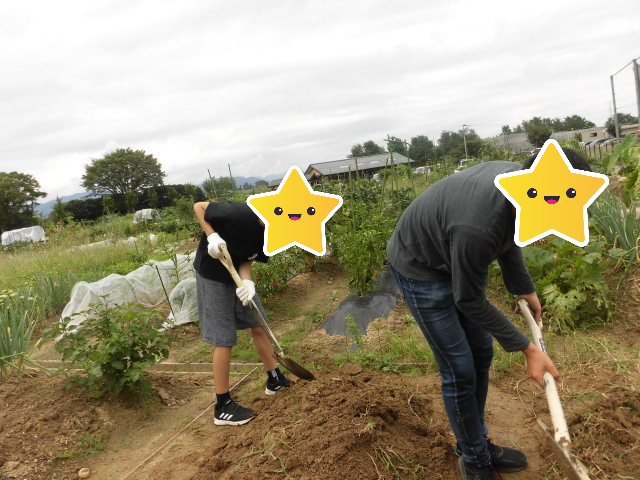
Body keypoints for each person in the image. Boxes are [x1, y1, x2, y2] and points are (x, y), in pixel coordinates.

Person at [386, 148, 591, 480]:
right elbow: (468, 299)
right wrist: (528, 349)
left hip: (452, 245)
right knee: (459, 369)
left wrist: (523, 287)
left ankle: (474, 441)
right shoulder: (477, 227)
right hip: (421, 266)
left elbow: (509, 233)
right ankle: (474, 458)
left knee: (481, 353)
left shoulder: (520, 186)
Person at [193, 200, 291, 426]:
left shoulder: (269, 233)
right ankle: (222, 406)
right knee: (224, 338)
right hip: (212, 274)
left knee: (259, 324)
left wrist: (247, 282)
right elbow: (199, 207)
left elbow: (248, 258)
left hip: (236, 273)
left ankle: (274, 379)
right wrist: (212, 236)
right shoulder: (239, 212)